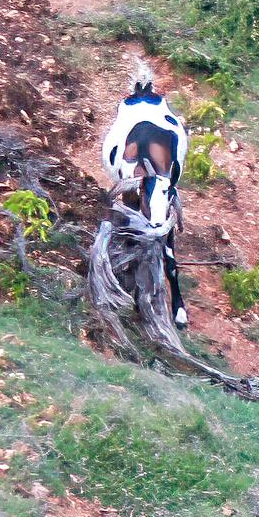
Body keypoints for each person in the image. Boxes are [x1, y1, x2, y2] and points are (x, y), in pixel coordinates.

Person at [97, 70, 190, 329]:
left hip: (153, 181)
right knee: (151, 231)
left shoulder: (127, 113)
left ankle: (170, 297)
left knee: (156, 232)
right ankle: (168, 300)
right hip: (151, 181)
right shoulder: (134, 171)